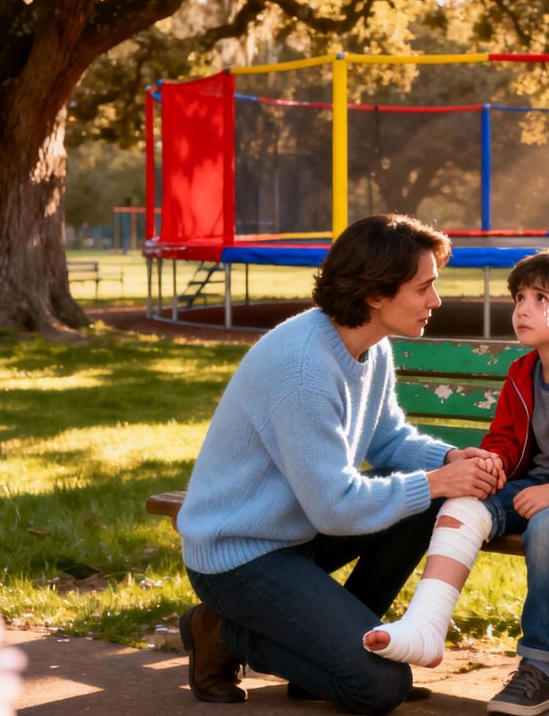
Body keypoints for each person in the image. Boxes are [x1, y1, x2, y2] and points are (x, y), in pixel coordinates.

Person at [176, 213, 505, 713]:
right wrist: (438, 480)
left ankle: (327, 658)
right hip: (239, 556)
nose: (435, 301)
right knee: (377, 689)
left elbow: (389, 438)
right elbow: (335, 508)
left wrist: (449, 459)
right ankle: (223, 632)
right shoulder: (305, 367)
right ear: (375, 295)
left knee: (428, 501)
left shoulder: (368, 345)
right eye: (424, 288)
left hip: (295, 534)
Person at [363, 247, 549, 716]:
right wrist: (492, 463)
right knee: (464, 500)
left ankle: (537, 670)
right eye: (519, 297)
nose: (522, 308)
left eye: (540, 299)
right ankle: (426, 627)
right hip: (538, 488)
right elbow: (505, 437)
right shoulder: (523, 372)